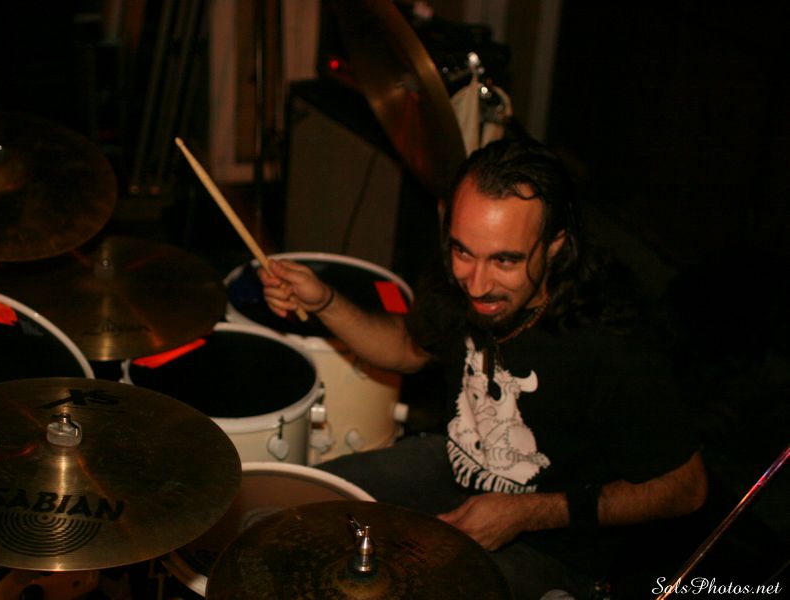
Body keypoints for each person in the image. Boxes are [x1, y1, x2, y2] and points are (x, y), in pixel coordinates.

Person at [258, 138, 707, 599]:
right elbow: (409, 348)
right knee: (299, 508)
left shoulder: (613, 344)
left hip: (554, 547)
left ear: (555, 245)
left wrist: (528, 512)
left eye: (505, 260)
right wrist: (325, 301)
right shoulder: (463, 278)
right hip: (453, 461)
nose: (476, 283)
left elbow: (686, 488)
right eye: (463, 252)